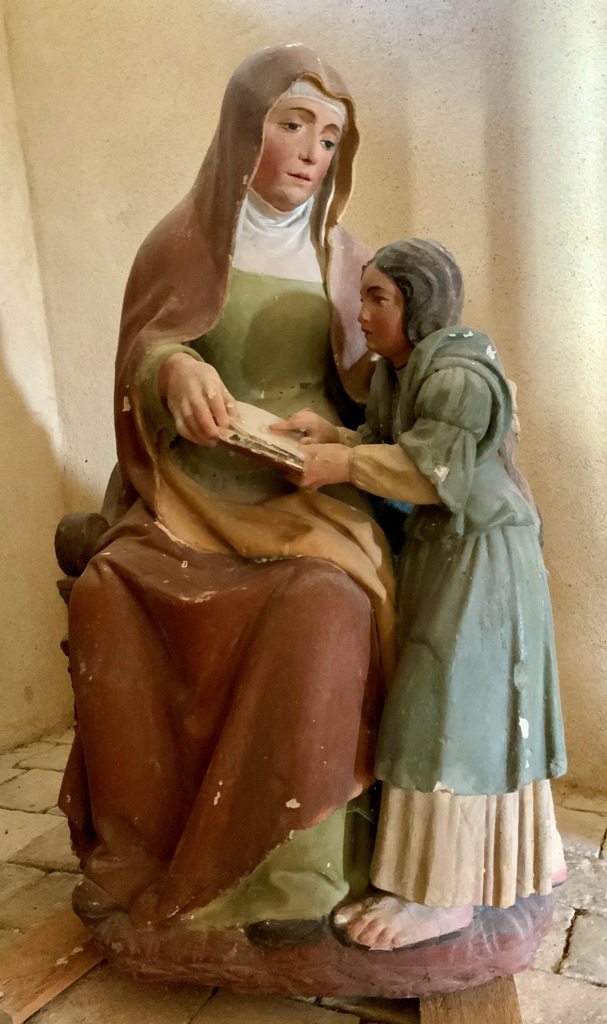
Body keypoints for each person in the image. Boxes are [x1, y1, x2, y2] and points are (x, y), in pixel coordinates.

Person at [61, 45, 396, 945]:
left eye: (329, 137)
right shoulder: (180, 244)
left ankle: (291, 872)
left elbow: (384, 387)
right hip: (193, 490)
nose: (311, 152)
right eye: (292, 124)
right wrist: (173, 372)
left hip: (307, 492)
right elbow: (145, 353)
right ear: (244, 128)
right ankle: (133, 855)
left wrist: (360, 425)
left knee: (324, 604)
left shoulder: (348, 261)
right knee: (106, 595)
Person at [275, 238, 567, 949]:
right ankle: (522, 859)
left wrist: (339, 462)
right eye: (363, 296)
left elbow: (431, 474)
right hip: (444, 553)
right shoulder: (397, 371)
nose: (362, 313)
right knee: (460, 712)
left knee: (449, 718)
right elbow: (393, 447)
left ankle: (444, 897)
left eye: (379, 298)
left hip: (485, 556)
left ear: (420, 303)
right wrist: (337, 435)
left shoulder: (459, 373)